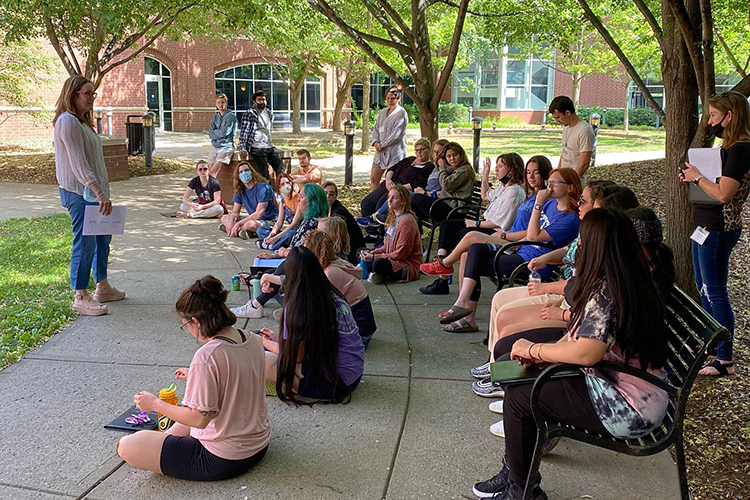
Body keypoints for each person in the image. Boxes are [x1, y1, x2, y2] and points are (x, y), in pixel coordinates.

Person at [471, 208, 669, 500]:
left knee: (522, 399)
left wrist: (535, 349)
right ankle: (517, 474)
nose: (579, 246)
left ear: (596, 246)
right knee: (518, 380)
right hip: (621, 385)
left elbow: (588, 352)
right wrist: (541, 356)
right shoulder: (622, 277)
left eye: (583, 239)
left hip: (628, 406)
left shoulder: (609, 290)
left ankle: (522, 489)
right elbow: (581, 336)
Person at [116, 276, 269, 480]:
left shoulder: (207, 356)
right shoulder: (250, 338)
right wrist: (196, 376)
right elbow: (236, 377)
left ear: (195, 321)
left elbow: (198, 419)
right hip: (258, 444)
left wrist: (155, 404)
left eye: (185, 324)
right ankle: (161, 442)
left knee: (126, 446)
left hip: (222, 457)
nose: (188, 330)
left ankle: (156, 444)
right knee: (167, 434)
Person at [423, 167, 580, 333]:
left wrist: (538, 204)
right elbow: (529, 232)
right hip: (522, 250)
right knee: (474, 249)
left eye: (556, 183)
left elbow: (533, 236)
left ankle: (465, 311)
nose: (550, 187)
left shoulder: (569, 218)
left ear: (570, 187)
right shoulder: (551, 204)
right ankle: (463, 306)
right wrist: (511, 236)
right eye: (550, 182)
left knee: (473, 259)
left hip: (532, 262)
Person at [679, 90, 750, 377]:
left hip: (720, 229)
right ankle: (711, 348)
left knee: (716, 291)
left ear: (729, 116)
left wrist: (698, 177)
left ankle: (725, 359)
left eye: (713, 116)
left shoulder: (742, 149)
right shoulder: (726, 149)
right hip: (704, 227)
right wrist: (692, 177)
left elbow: (723, 194)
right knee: (703, 287)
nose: (709, 122)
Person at [54, 75, 125, 316]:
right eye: (87, 94)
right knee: (85, 243)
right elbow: (78, 162)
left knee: (103, 239)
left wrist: (102, 192)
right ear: (73, 94)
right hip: (79, 192)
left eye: (93, 94)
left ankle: (102, 286)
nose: (92, 99)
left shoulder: (82, 122)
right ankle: (80, 295)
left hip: (95, 193)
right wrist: (98, 191)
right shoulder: (67, 122)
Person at [261, 247, 364, 403]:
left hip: (333, 384)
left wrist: (263, 342)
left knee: (258, 357)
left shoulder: (298, 306)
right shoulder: (334, 296)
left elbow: (295, 357)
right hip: (354, 373)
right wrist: (277, 340)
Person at [419, 153, 526, 296]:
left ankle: (443, 276)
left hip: (494, 232)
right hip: (485, 226)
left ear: (512, 169)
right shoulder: (505, 187)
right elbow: (485, 195)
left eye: (500, 166)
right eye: (496, 166)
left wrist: (476, 223)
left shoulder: (514, 192)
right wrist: (486, 174)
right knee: (446, 225)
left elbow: (500, 222)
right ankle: (440, 264)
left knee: (459, 238)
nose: (497, 170)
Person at [231, 183, 329, 319]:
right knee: (271, 273)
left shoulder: (313, 225)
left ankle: (257, 303)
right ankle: (259, 298)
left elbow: (303, 257)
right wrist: (274, 255)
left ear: (312, 201)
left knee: (280, 270)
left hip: (306, 275)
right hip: (297, 269)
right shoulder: (308, 222)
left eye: (301, 197)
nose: (298, 200)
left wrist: (282, 253)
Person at [305, 230, 377, 346]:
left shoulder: (331, 272)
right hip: (359, 324)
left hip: (360, 334)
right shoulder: (334, 262)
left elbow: (319, 305)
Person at [357, 138, 435, 225]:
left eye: (422, 149)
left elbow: (417, 183)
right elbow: (392, 168)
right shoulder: (409, 159)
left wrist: (396, 188)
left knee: (380, 205)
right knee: (366, 204)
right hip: (388, 185)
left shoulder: (429, 166)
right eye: (417, 150)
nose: (419, 152)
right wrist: (388, 179)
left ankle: (382, 232)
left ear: (429, 150)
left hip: (400, 191)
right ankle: (373, 233)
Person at [361, 184, 422, 283]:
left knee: (378, 264)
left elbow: (401, 254)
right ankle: (377, 274)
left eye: (395, 198)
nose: (389, 201)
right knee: (361, 252)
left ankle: (377, 273)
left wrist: (375, 257)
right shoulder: (393, 218)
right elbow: (386, 247)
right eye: (389, 197)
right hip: (392, 258)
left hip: (405, 264)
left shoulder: (407, 220)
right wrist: (372, 252)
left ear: (403, 202)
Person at [410, 142, 476, 227]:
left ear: (461, 155)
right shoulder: (453, 169)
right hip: (446, 204)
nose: (452, 158)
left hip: (455, 211)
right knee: (413, 206)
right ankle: (415, 233)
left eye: (455, 155)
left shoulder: (464, 170)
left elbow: (446, 186)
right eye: (449, 156)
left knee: (416, 198)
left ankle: (415, 233)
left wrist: (442, 167)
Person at [219, 161, 277, 239]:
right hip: (252, 218)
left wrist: (238, 224)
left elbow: (258, 213)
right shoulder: (239, 190)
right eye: (241, 172)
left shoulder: (263, 188)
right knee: (224, 218)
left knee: (249, 224)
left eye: (246, 170)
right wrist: (230, 223)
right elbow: (235, 212)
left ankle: (238, 230)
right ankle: (241, 231)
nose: (244, 173)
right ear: (238, 176)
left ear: (252, 172)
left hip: (268, 220)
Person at [239, 90, 284, 181]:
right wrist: (243, 148)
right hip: (257, 147)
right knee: (264, 172)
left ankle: (281, 188)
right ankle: (268, 191)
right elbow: (244, 132)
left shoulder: (268, 113)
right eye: (259, 100)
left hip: (269, 146)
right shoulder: (249, 114)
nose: (262, 102)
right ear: (254, 102)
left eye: (263, 99)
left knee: (280, 167)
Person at [370, 88, 408, 191]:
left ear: (398, 98)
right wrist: (375, 142)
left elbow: (396, 134)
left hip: (394, 153)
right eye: (388, 98)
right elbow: (376, 128)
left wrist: (383, 145)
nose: (390, 101)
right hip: (380, 153)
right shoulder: (382, 112)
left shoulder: (401, 113)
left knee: (391, 181)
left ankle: (391, 202)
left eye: (392, 98)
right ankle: (372, 202)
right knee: (373, 178)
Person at [549, 95, 594, 178]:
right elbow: (564, 153)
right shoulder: (566, 127)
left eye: (558, 117)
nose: (556, 121)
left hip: (575, 182)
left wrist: (572, 182)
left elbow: (584, 164)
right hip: (563, 180)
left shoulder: (584, 130)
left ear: (567, 113)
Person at [324, 181, 366, 264]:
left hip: (351, 253)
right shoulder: (327, 208)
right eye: (325, 193)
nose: (328, 196)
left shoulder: (339, 213)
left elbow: (336, 240)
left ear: (336, 196)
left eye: (331, 193)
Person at [257, 174, 299, 249]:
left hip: (296, 232)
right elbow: (279, 223)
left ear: (291, 183)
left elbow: (294, 224)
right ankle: (276, 243)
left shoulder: (298, 199)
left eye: (287, 182)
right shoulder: (283, 201)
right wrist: (271, 235)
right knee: (260, 230)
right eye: (282, 184)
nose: (285, 186)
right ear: (279, 188)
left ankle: (272, 245)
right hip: (285, 233)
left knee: (290, 234)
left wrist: (276, 237)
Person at [207, 94, 237, 177]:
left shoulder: (231, 117)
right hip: (215, 146)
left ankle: (211, 189)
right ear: (215, 104)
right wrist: (217, 133)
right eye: (218, 102)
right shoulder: (215, 117)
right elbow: (210, 133)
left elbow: (225, 132)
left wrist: (215, 132)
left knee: (212, 173)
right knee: (208, 171)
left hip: (226, 147)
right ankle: (210, 189)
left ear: (226, 103)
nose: (221, 104)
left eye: (222, 102)